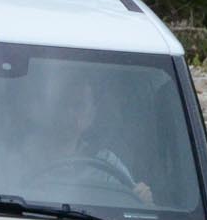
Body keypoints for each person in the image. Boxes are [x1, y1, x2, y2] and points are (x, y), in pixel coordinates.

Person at [28, 74, 154, 203]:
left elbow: (132, 201)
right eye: (64, 103)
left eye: (79, 106)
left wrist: (143, 198)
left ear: (91, 116)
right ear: (52, 108)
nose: (69, 112)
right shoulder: (25, 155)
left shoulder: (106, 163)